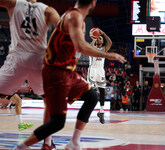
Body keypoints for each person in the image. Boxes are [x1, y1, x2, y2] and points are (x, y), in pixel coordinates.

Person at [11, 0, 126, 150]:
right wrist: (109, 55)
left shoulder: (71, 15)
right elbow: (81, 46)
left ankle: (74, 142)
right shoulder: (74, 17)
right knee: (58, 122)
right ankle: (21, 146)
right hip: (57, 73)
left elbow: (74, 48)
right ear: (93, 3)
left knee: (92, 97)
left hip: (66, 71)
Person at [0, 0, 60, 149]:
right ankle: (47, 143)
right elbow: (63, 29)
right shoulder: (48, 10)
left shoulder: (13, 3)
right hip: (39, 61)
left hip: (17, 60)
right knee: (49, 101)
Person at [87, 28, 112, 124]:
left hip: (100, 71)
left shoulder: (103, 49)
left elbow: (109, 43)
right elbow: (90, 46)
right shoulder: (92, 48)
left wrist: (103, 33)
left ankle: (101, 112)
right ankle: (88, 112)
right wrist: (95, 37)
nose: (99, 39)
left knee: (102, 92)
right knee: (91, 92)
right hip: (92, 70)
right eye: (98, 38)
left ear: (102, 41)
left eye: (100, 39)